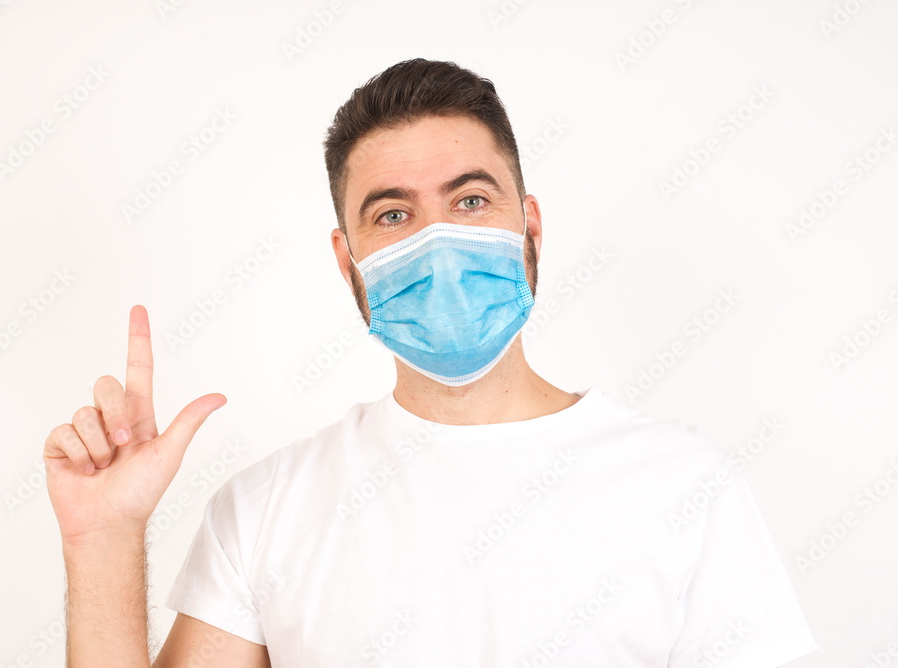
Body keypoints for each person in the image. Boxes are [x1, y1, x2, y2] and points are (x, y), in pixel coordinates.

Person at [44, 58, 819, 667]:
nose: (438, 241)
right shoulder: (264, 511)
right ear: (348, 264)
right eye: (394, 214)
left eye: (472, 201)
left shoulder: (685, 488)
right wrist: (103, 541)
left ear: (531, 229)